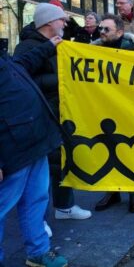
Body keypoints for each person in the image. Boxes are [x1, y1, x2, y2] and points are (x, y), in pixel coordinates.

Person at [14, 4, 92, 227]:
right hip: (39, 116)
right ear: (48, 23)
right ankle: (38, 220)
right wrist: (61, 83)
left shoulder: (59, 44)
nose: (66, 24)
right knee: (40, 170)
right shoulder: (27, 47)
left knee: (61, 161)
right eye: (62, 20)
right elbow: (22, 81)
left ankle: (64, 207)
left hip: (58, 112)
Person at [1, 36, 68, 267]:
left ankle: (38, 252)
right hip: (11, 152)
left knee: (36, 199)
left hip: (34, 143)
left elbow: (26, 61)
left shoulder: (6, 60)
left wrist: (50, 44)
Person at [91, 14, 134, 213]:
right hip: (104, 107)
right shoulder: (93, 51)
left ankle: (133, 191)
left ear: (120, 32)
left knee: (130, 148)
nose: (101, 32)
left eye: (106, 29)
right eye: (100, 29)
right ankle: (112, 191)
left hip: (128, 108)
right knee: (107, 147)